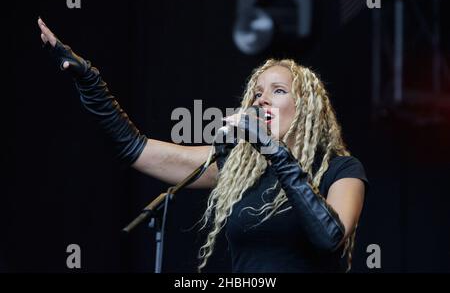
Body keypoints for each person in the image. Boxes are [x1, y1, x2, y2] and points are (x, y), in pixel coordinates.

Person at [38, 17, 368, 273]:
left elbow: (330, 239)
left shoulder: (342, 169)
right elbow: (135, 148)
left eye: (278, 91)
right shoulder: (238, 169)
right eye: (257, 93)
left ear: (306, 107)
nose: (262, 99)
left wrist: (274, 152)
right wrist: (90, 82)